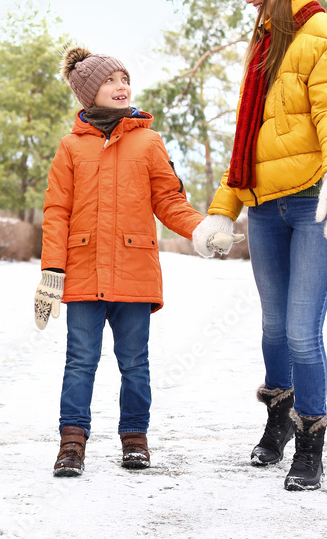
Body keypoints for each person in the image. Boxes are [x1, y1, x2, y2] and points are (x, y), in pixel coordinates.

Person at [191, 0, 327, 491]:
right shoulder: (265, 46)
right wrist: (224, 209)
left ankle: (311, 443)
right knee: (273, 330)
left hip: (319, 203)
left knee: (301, 331)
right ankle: (278, 426)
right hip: (267, 208)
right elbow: (250, 140)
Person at [35, 47, 232, 477]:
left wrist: (202, 229)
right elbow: (56, 212)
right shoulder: (70, 147)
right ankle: (72, 443)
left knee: (135, 362)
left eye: (124, 78)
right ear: (89, 93)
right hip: (84, 272)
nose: (121, 86)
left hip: (134, 272)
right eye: (110, 80)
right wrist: (52, 271)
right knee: (80, 360)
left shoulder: (149, 141)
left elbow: (168, 199)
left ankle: (135, 439)